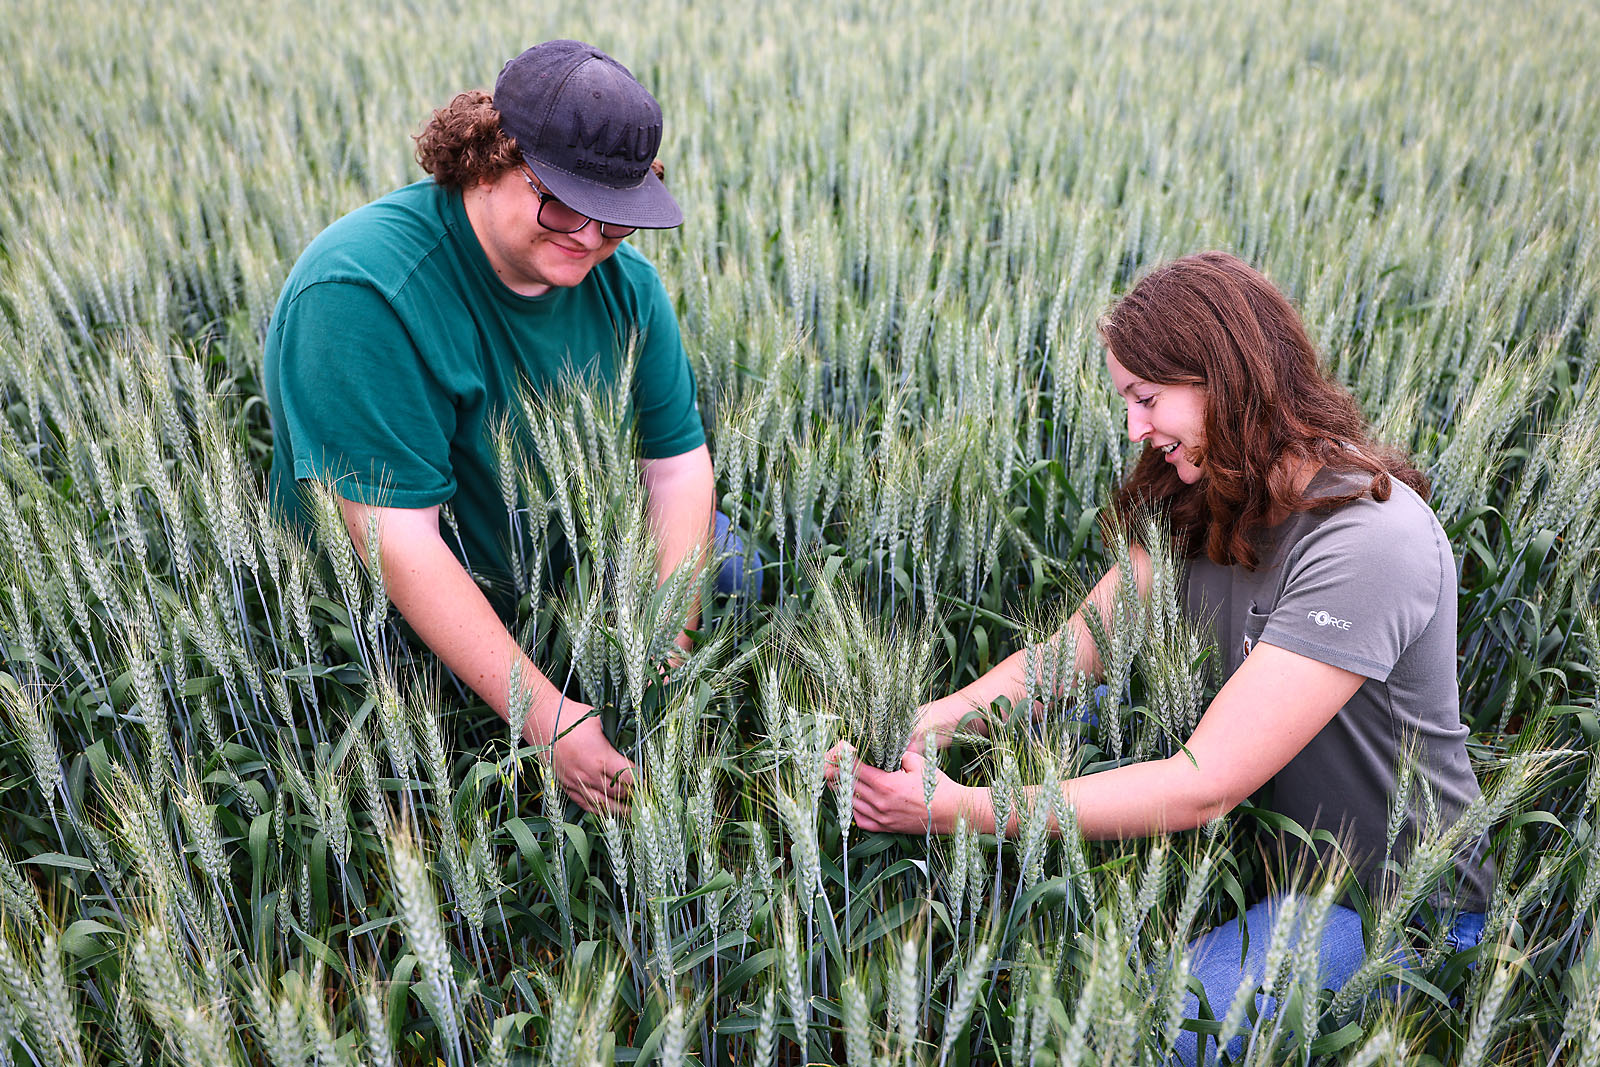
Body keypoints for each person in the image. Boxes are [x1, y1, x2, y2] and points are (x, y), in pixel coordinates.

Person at [838, 252, 1492, 1063]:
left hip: (1401, 908)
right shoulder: (1206, 495)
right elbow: (1066, 658)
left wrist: (959, 806)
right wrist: (925, 726)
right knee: (1085, 713)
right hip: (1281, 862)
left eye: (1148, 398)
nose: (1133, 428)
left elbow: (1203, 784)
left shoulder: (1369, 540)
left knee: (1143, 1030)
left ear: (1228, 376)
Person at [263, 40, 724, 814]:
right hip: (391, 636)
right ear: (486, 159)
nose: (588, 236)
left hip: (564, 588)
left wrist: (665, 641)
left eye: (615, 217)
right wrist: (549, 720)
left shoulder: (630, 288)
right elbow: (399, 543)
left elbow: (677, 468)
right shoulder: (362, 292)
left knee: (741, 567)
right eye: (562, 203)